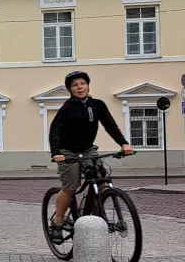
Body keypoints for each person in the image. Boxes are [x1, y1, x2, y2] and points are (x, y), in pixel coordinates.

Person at [47, 70, 134, 242]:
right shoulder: (67, 108)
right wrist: (56, 152)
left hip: (88, 150)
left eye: (82, 84)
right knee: (70, 187)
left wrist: (123, 143)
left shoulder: (98, 105)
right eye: (75, 85)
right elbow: (55, 131)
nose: (80, 88)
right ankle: (58, 223)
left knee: (101, 180)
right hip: (67, 152)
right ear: (70, 90)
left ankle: (92, 219)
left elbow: (110, 125)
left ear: (87, 85)